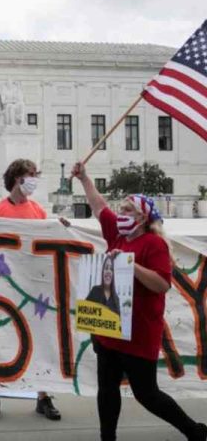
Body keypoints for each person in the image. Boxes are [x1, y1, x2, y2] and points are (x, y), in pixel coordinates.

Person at [72, 161, 207, 441]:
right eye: (121, 209)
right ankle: (107, 437)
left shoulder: (153, 244)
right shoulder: (116, 234)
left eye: (128, 209)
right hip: (110, 328)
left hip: (139, 331)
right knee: (106, 390)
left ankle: (193, 431)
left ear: (143, 218)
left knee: (147, 394)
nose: (121, 213)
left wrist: (130, 266)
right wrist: (84, 177)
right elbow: (99, 207)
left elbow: (161, 283)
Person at [0, 159, 61, 422]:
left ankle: (43, 396)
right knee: (1, 337)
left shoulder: (37, 210)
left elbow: (47, 241)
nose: (34, 180)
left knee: (41, 340)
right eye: (31, 175)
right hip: (5, 284)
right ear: (17, 178)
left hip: (33, 284)